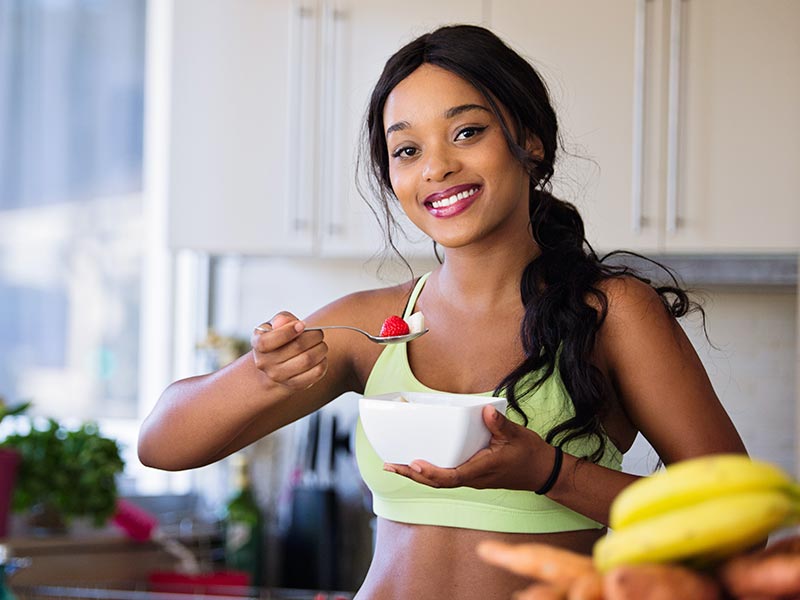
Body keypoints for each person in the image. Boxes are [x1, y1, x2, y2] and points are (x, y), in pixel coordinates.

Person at [138, 24, 746, 599]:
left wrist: (550, 471)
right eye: (406, 149)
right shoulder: (373, 326)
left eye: (466, 132)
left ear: (529, 140)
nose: (436, 167)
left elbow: (734, 525)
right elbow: (163, 445)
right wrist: (260, 375)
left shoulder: (611, 312)